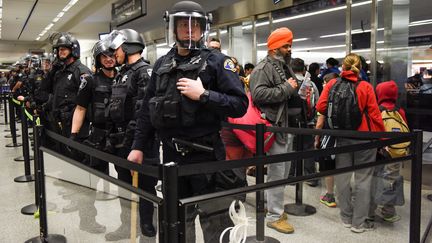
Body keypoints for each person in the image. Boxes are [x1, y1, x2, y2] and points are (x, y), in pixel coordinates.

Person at [127, 1, 248, 242]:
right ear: (173, 29)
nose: (190, 29)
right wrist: (138, 146)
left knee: (215, 222)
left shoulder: (217, 61)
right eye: (183, 24)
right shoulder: (161, 64)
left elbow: (240, 104)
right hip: (172, 157)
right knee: (178, 222)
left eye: (195, 25)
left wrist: (204, 95)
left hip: (206, 156)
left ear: (203, 29)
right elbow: (147, 110)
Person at [315, 53, 385, 233]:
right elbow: (375, 115)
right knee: (363, 180)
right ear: (360, 68)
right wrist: (382, 138)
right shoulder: (366, 87)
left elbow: (321, 107)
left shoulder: (332, 84)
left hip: (342, 137)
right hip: (365, 140)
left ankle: (346, 217)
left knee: (343, 179)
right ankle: (358, 223)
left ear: (342, 67)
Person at [102, 28, 159, 241]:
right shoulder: (122, 73)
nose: (113, 54)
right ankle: (126, 224)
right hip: (121, 141)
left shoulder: (144, 72)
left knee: (146, 186)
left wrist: (135, 143)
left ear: (127, 47)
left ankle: (146, 224)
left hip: (141, 143)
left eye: (116, 49)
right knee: (124, 184)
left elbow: (144, 111)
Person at [249, 27, 298, 234]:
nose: (289, 49)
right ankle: (274, 216)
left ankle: (273, 207)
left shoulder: (283, 65)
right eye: (285, 45)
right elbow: (258, 93)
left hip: (287, 125)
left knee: (283, 171)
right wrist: (287, 88)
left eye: (290, 45)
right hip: (274, 126)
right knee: (277, 172)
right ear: (274, 47)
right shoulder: (263, 68)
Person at [41, 33, 92, 141]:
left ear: (73, 50)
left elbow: (86, 102)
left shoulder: (82, 71)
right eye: (59, 50)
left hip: (76, 125)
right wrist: (52, 70)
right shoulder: (59, 72)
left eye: (64, 49)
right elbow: (44, 89)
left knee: (77, 155)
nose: (60, 52)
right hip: (60, 122)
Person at [372, 80, 407, 223]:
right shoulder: (400, 111)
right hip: (395, 153)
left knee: (375, 178)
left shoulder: (377, 109)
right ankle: (389, 211)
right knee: (391, 180)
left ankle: (371, 209)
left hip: (379, 152)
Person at [315, 72, 339, 208]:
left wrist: (317, 139)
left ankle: (330, 195)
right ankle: (344, 192)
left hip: (329, 138)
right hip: (344, 137)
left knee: (329, 167)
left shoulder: (326, 99)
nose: (323, 84)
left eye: (325, 82)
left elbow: (319, 123)